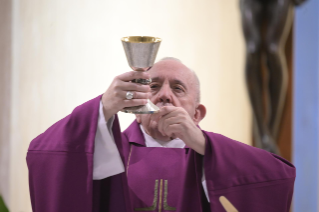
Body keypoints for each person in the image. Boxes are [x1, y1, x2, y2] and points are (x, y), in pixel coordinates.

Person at [27, 58, 295, 212]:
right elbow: (45, 155)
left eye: (178, 89)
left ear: (197, 114)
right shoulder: (108, 152)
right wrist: (104, 107)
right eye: (153, 86)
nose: (164, 95)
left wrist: (204, 144)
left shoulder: (212, 156)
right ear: (135, 104)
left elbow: (278, 176)